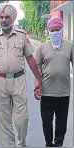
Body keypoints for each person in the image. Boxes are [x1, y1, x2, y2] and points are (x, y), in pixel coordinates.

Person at [0, 3, 42, 147]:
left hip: (18, 80)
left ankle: (21, 143)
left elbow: (30, 58)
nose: (3, 20)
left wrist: (38, 79)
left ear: (13, 19)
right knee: (3, 120)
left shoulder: (22, 36)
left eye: (6, 17)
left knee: (22, 119)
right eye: (1, 17)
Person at [35, 17, 73, 147]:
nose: (55, 33)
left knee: (61, 122)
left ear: (62, 30)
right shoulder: (42, 48)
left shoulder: (70, 46)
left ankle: (58, 144)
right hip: (46, 92)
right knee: (46, 121)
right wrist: (37, 85)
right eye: (52, 30)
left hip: (63, 92)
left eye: (57, 30)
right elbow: (37, 69)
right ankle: (48, 143)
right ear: (48, 31)